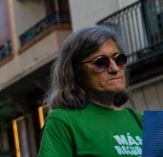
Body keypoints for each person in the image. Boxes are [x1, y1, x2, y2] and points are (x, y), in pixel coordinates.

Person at [38, 26, 144, 156]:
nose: (115, 68)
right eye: (101, 62)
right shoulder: (62, 121)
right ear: (75, 72)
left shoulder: (139, 120)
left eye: (119, 59)